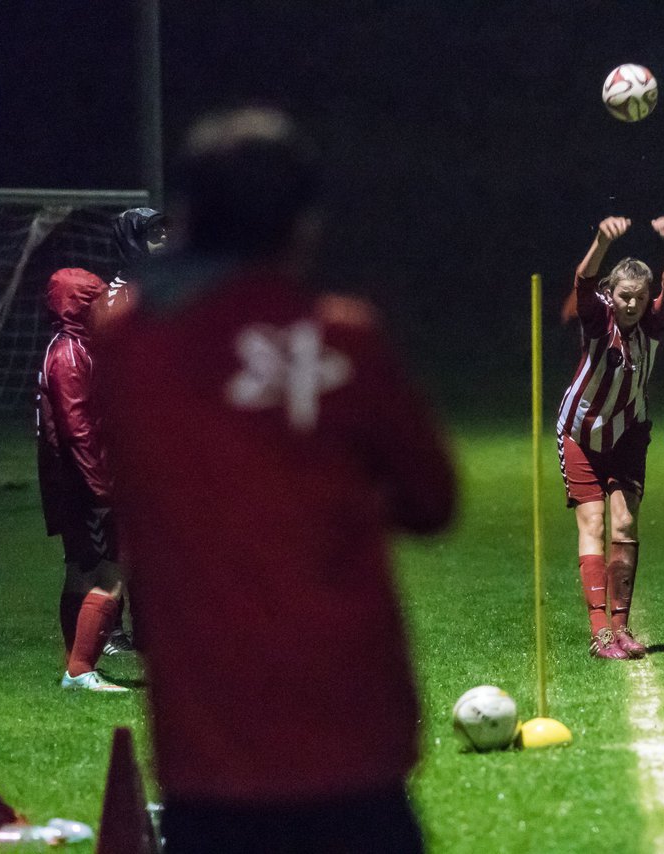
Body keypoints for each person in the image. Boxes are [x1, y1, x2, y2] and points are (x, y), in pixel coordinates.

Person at [95, 107, 457, 853]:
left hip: (210, 752)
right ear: (305, 224)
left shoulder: (129, 342)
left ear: (189, 217)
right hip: (354, 734)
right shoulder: (345, 335)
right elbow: (432, 502)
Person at [556, 214, 664, 659]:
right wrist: (601, 241)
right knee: (592, 523)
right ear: (613, 295)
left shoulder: (653, 325)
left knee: (625, 524)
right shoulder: (597, 320)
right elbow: (584, 280)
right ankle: (601, 636)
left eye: (639, 297)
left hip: (628, 434)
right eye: (625, 295)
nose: (631, 304)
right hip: (580, 433)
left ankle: (621, 628)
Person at [36, 265, 130, 692]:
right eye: (95, 302)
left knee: (80, 570)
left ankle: (75, 666)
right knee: (111, 573)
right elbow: (77, 429)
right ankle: (80, 669)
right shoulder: (71, 354)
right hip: (84, 483)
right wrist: (102, 489)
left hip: (70, 482)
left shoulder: (67, 346)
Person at [92, 206, 168, 656]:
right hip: (127, 440)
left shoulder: (160, 291)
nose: (162, 241)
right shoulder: (114, 299)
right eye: (152, 234)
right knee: (126, 544)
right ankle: (113, 633)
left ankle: (153, 631)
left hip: (163, 436)